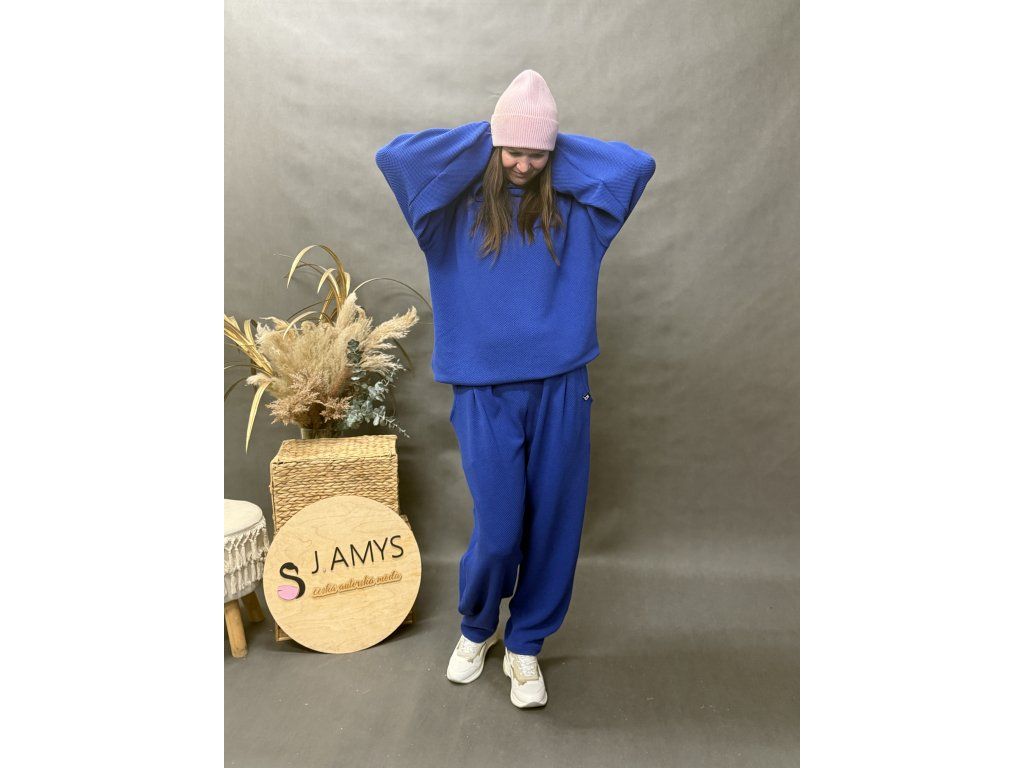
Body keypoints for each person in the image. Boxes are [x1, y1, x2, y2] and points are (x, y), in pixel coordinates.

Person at [374, 69, 656, 708]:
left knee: (555, 521)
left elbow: (634, 167)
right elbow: (397, 158)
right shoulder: (444, 216)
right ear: (494, 145)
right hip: (483, 393)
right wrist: (499, 134)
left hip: (562, 387)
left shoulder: (579, 216)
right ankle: (477, 628)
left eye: (537, 154)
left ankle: (525, 645)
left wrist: (541, 135)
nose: (524, 164)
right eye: (513, 152)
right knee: (500, 529)